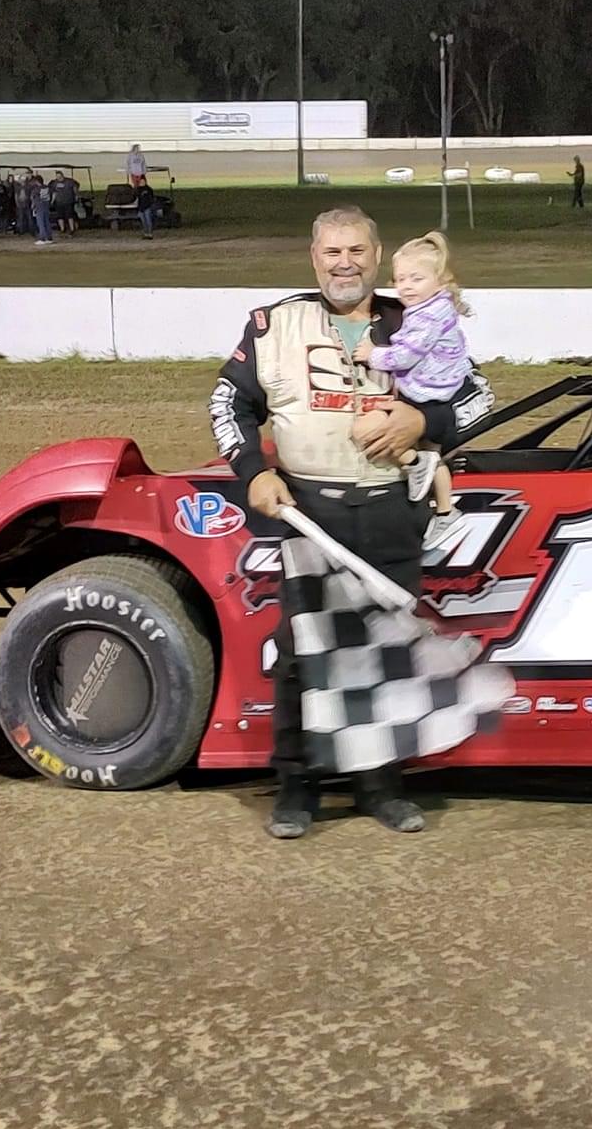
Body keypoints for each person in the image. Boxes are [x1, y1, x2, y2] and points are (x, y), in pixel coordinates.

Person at [211, 206, 494, 840]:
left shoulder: (415, 318)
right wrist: (254, 470)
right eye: (332, 252)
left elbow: (480, 397)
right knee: (298, 656)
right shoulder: (272, 325)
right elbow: (226, 403)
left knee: (387, 652)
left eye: (357, 252)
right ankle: (295, 786)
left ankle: (380, 785)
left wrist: (426, 424)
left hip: (393, 510)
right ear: (315, 258)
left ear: (376, 254)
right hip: (310, 515)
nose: (345, 263)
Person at [350, 232, 470, 548]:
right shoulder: (436, 307)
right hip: (441, 390)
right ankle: (446, 513)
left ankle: (413, 462)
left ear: (439, 280)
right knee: (436, 455)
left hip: (426, 394)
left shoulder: (427, 317)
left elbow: (406, 355)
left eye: (416, 279)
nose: (406, 286)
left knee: (369, 430)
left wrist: (371, 354)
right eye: (400, 279)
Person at [30, 173, 53, 246]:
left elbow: (33, 199)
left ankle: (42, 238)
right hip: (46, 205)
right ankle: (49, 238)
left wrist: (33, 206)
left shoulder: (35, 190)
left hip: (39, 206)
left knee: (40, 223)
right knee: (46, 221)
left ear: (37, 181)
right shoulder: (47, 187)